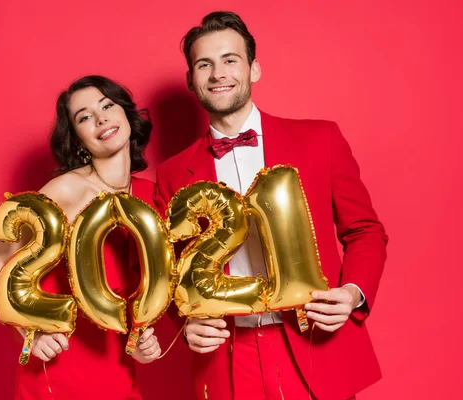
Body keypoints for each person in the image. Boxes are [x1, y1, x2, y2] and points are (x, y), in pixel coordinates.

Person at [154, 11, 388, 400]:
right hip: (227, 357)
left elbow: (365, 231)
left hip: (314, 343)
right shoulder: (172, 172)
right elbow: (167, 272)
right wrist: (183, 323)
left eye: (230, 60)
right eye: (204, 64)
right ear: (190, 80)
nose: (218, 74)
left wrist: (352, 292)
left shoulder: (321, 139)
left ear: (254, 69)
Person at [0, 75, 161, 399]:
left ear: (126, 114)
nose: (101, 118)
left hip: (118, 371)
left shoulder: (151, 197)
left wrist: (144, 343)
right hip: (59, 370)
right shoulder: (65, 190)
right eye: (84, 117)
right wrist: (28, 331)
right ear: (78, 139)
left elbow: (146, 293)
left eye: (107, 105)